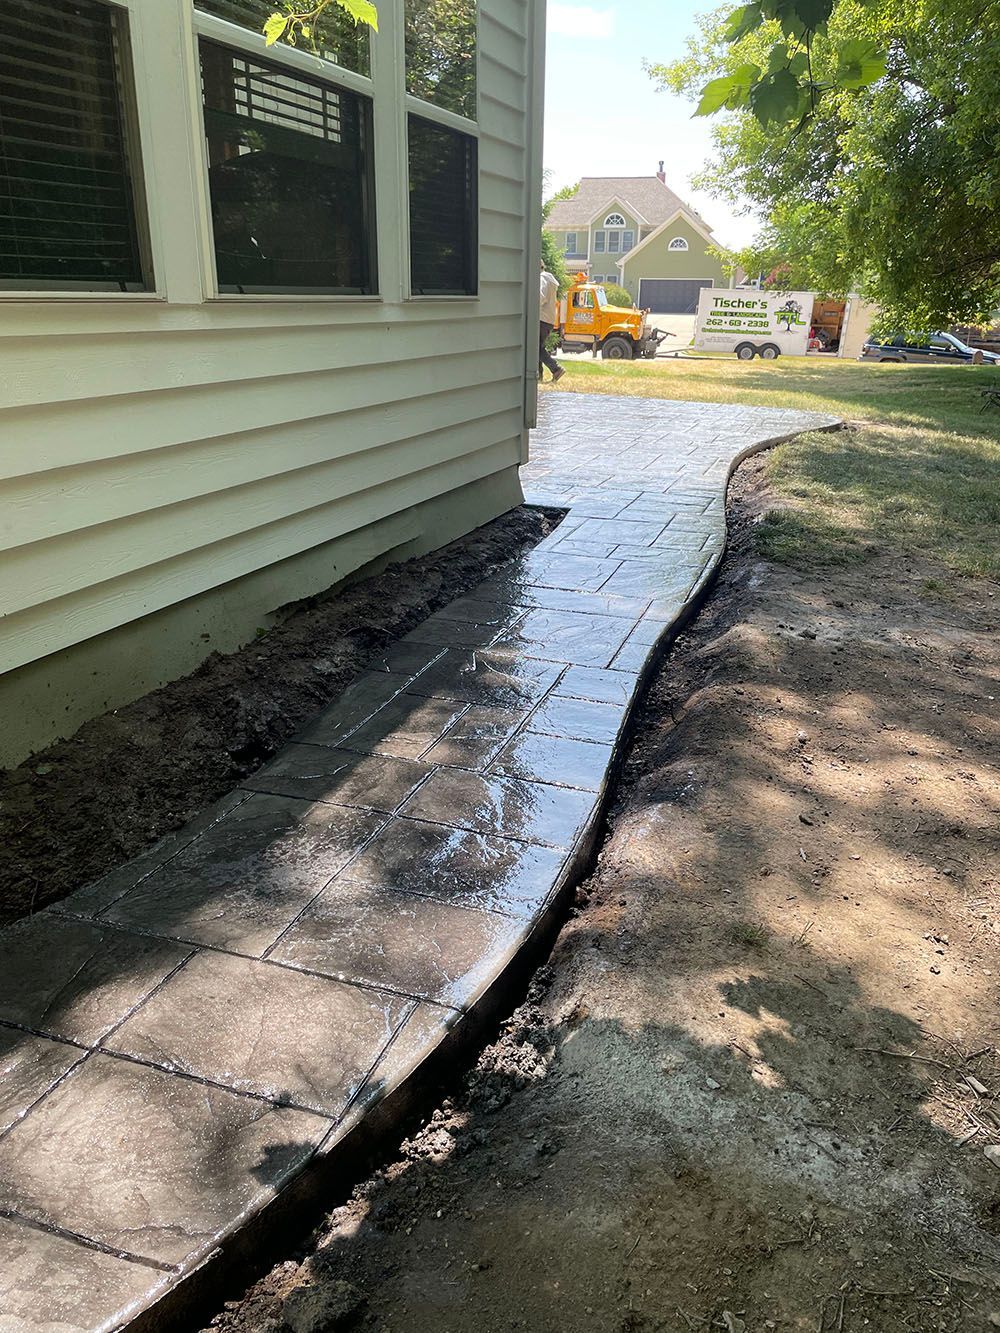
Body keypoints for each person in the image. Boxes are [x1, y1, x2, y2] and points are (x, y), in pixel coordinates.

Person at [539, 262, 564, 383]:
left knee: (535, 348)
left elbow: (540, 296)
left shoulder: (542, 278)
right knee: (537, 347)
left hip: (540, 318)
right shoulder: (550, 279)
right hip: (548, 320)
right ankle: (538, 376)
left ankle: (556, 369)